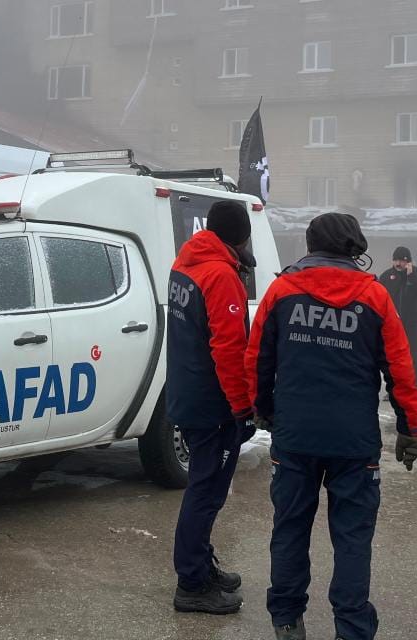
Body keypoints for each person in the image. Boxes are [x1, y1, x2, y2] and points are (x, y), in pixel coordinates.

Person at [247, 213, 417, 640]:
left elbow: (257, 360)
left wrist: (263, 410)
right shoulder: (375, 296)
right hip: (353, 440)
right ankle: (352, 627)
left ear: (310, 245)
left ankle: (287, 619)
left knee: (289, 527)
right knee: (352, 538)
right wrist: (411, 428)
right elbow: (400, 368)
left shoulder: (282, 291)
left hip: (295, 435)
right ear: (355, 248)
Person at [165, 200, 256, 615]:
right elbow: (229, 347)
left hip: (189, 390)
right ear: (239, 235)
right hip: (213, 402)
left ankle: (200, 564)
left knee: (205, 489)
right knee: (206, 491)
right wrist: (242, 407)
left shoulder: (186, 263)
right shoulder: (220, 274)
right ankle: (192, 583)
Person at [379, 246, 417, 385]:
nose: (398, 264)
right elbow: (379, 297)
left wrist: (411, 276)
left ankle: (414, 387)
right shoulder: (386, 276)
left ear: (409, 262)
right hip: (393, 325)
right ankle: (395, 387)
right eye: (395, 260)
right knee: (393, 358)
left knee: (414, 357)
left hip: (413, 325)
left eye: (402, 261)